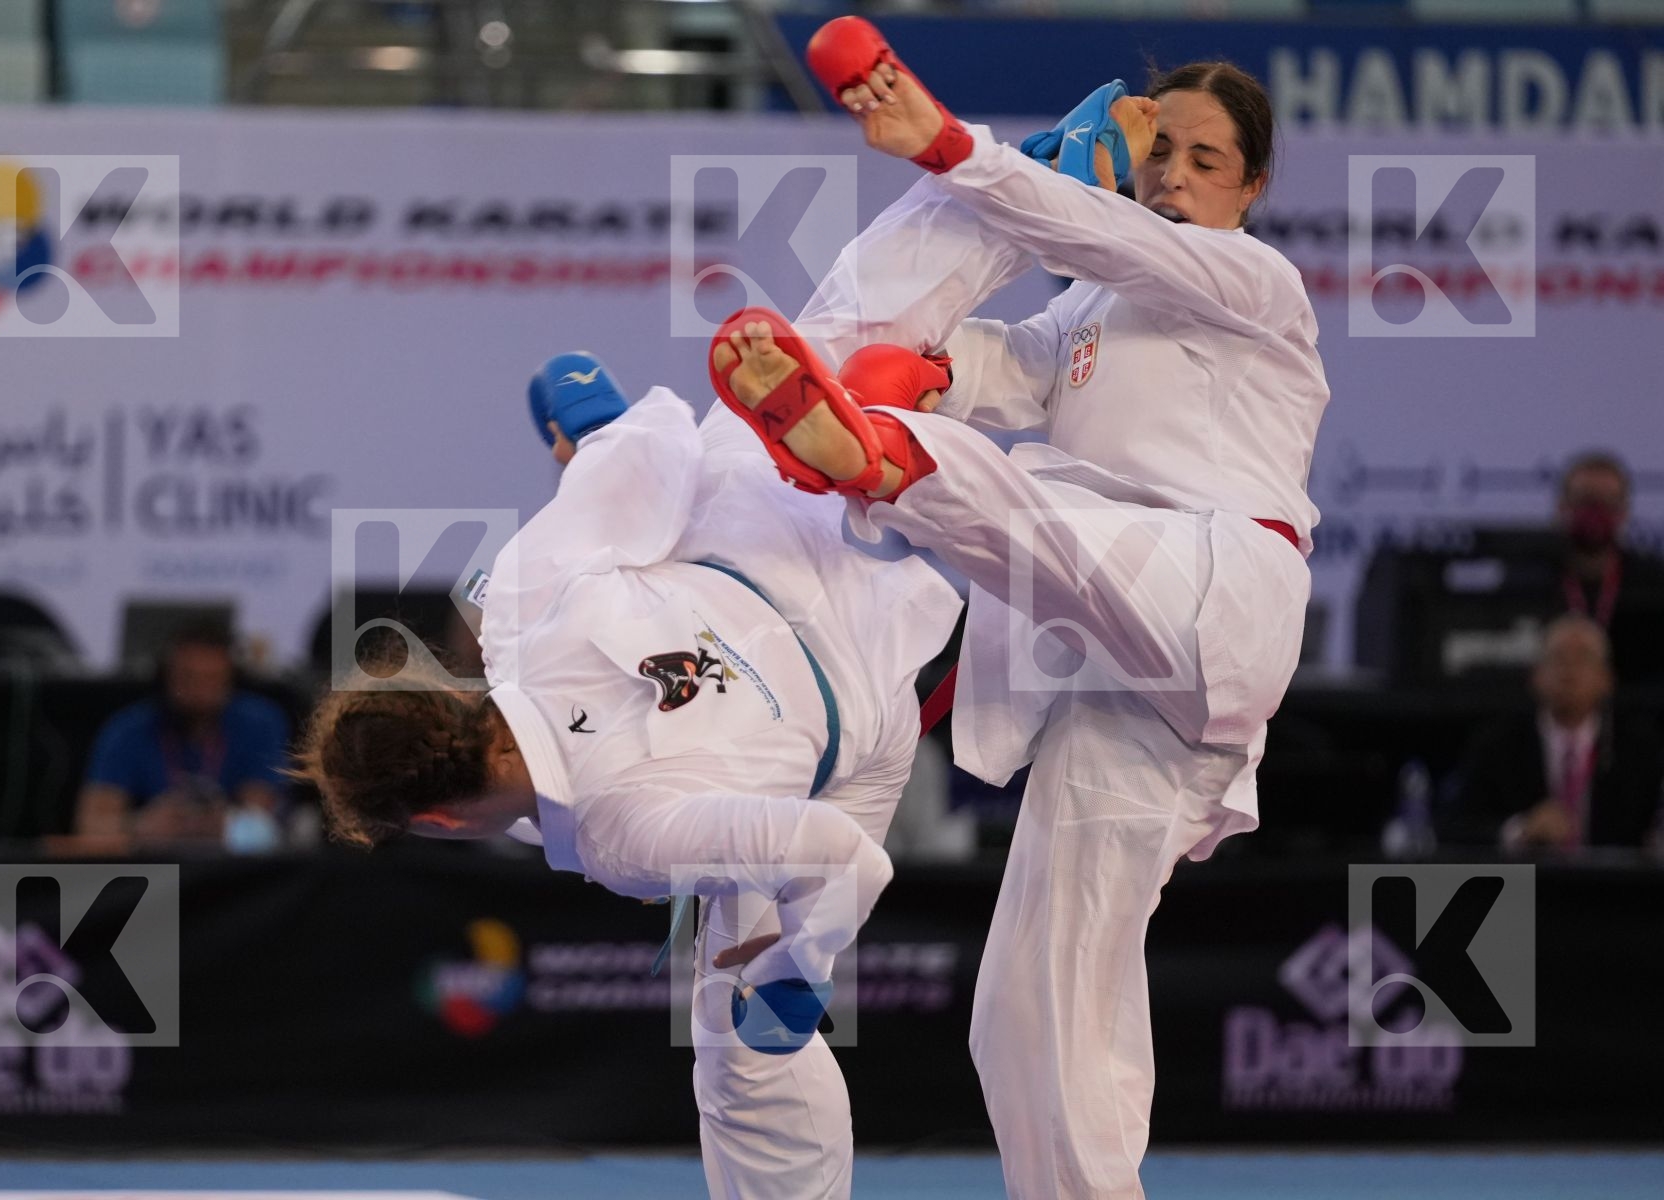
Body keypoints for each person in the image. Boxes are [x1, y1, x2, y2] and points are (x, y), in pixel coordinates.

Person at [707, 19, 1329, 1198]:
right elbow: (1018, 362)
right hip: (1122, 688)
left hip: (1217, 587)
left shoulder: (1252, 281)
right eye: (1160, 153)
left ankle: (880, 462)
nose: (1176, 176)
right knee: (1033, 1012)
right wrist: (924, 374)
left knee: (1024, 494)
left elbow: (1087, 229)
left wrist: (949, 148)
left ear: (1250, 188)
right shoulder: (1090, 312)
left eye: (1206, 160)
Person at [295, 373, 961, 1200]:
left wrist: (800, 965)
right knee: (739, 1029)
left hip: (855, 685)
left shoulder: (621, 835)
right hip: (769, 522)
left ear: (436, 817)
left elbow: (847, 861)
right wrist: (589, 419)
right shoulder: (513, 608)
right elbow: (641, 437)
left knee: (748, 1025)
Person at [1441, 614, 1663, 852]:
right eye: (1558, 658)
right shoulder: (1497, 744)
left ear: (1606, 679)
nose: (1569, 670)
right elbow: (1452, 827)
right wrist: (1521, 830)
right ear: (1535, 676)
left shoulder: (1641, 747)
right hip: (1528, 884)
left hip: (1620, 887)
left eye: (1583, 658)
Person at [76, 621, 290, 843]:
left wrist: (223, 823)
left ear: (232, 680)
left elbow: (262, 821)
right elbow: (90, 824)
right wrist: (140, 825)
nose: (200, 692)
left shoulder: (259, 723)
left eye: (212, 679)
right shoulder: (127, 729)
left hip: (234, 868)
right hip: (152, 865)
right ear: (165, 677)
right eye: (188, 678)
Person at [1550, 450, 1664, 684]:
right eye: (1585, 501)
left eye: (1607, 503)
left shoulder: (1654, 583)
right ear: (1562, 507)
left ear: (1624, 512)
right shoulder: (1529, 581)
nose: (1596, 513)